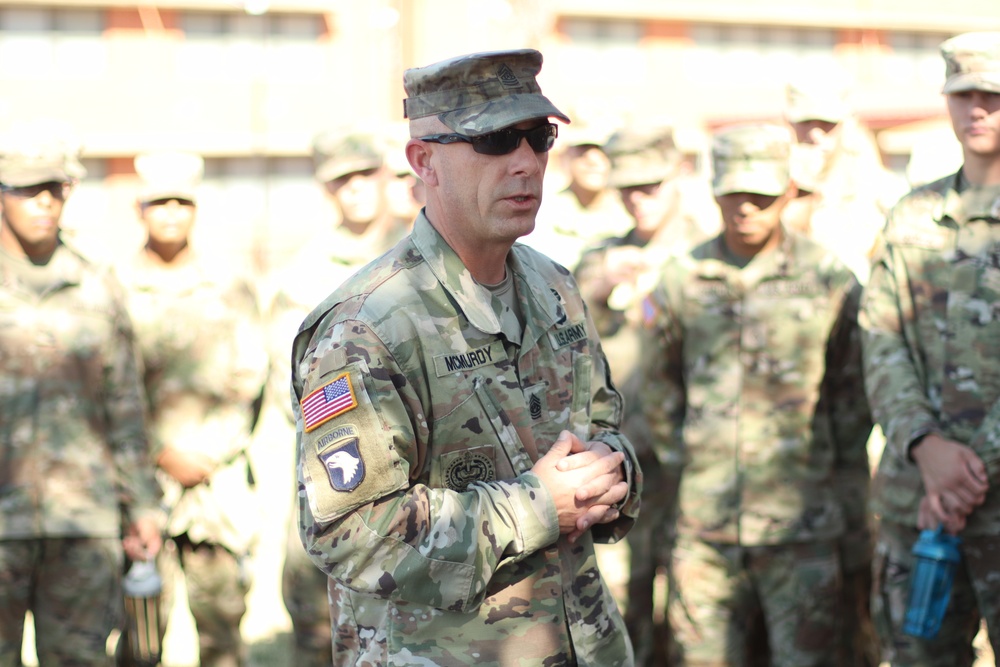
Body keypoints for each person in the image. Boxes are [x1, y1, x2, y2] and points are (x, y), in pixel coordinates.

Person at [290, 48, 642, 666]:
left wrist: (612, 470)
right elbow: (346, 533)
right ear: (423, 161)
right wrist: (536, 505)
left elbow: (604, 425)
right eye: (496, 141)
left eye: (539, 137)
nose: (527, 163)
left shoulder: (555, 289)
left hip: (580, 642)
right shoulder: (367, 328)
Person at [638, 123, 872, 666]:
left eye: (762, 196)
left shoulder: (828, 279)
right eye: (734, 194)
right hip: (705, 528)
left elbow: (852, 388)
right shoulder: (683, 278)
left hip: (802, 525)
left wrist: (822, 467)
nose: (747, 208)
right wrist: (689, 459)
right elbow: (659, 382)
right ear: (714, 191)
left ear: (788, 193)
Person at [861, 30, 1000, 666]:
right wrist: (924, 445)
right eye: (963, 93)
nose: (977, 108)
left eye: (992, 94)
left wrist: (968, 470)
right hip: (917, 504)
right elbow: (881, 337)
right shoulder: (912, 216)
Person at [0, 122, 162, 664]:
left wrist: (141, 502)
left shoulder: (96, 283)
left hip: (82, 520)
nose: (43, 203)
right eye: (26, 189)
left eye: (54, 190)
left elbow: (125, 402)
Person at [115, 151, 268, 667]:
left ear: (195, 210)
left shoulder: (230, 286)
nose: (171, 213)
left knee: (223, 632)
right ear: (140, 209)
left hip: (213, 485)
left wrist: (205, 451)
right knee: (138, 637)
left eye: (182, 202)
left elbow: (248, 378)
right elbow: (109, 386)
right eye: (160, 203)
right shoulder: (112, 287)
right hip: (139, 485)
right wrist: (160, 453)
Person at [573, 123, 718, 667]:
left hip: (695, 454)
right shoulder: (600, 257)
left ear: (676, 178)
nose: (640, 200)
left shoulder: (707, 251)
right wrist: (599, 286)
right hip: (623, 458)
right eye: (628, 189)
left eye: (651, 186)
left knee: (695, 603)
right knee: (622, 597)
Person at [266, 130, 412, 666]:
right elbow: (296, 385)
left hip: (423, 469)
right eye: (339, 181)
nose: (353, 191)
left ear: (384, 177)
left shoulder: (424, 247)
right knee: (316, 621)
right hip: (338, 466)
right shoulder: (305, 272)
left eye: (362, 176)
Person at [781, 74, 902, 286]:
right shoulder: (774, 184)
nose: (815, 134)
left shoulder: (877, 185)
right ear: (789, 122)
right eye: (805, 123)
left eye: (826, 124)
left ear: (847, 124)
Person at [521, 119, 633, 269]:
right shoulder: (542, 212)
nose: (593, 160)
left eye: (604, 149)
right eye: (583, 148)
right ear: (566, 154)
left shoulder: (635, 209)